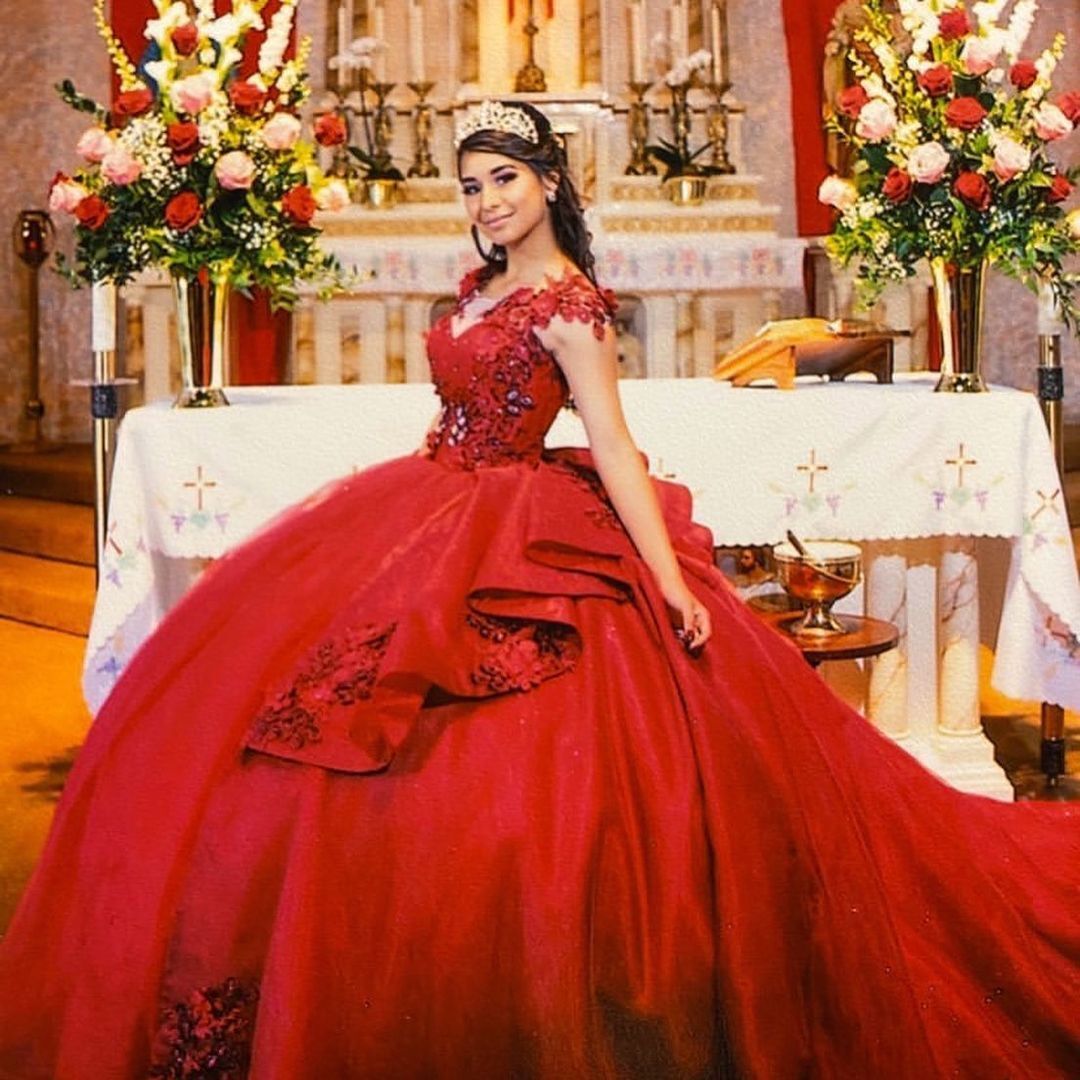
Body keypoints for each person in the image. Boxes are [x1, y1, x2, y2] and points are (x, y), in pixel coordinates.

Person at [1, 99, 1078, 1079]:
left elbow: (612, 444)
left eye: (505, 179)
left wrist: (671, 581)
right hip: (427, 506)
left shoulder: (570, 306)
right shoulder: (478, 290)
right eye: (472, 185)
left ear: (551, 183)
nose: (487, 201)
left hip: (527, 526)